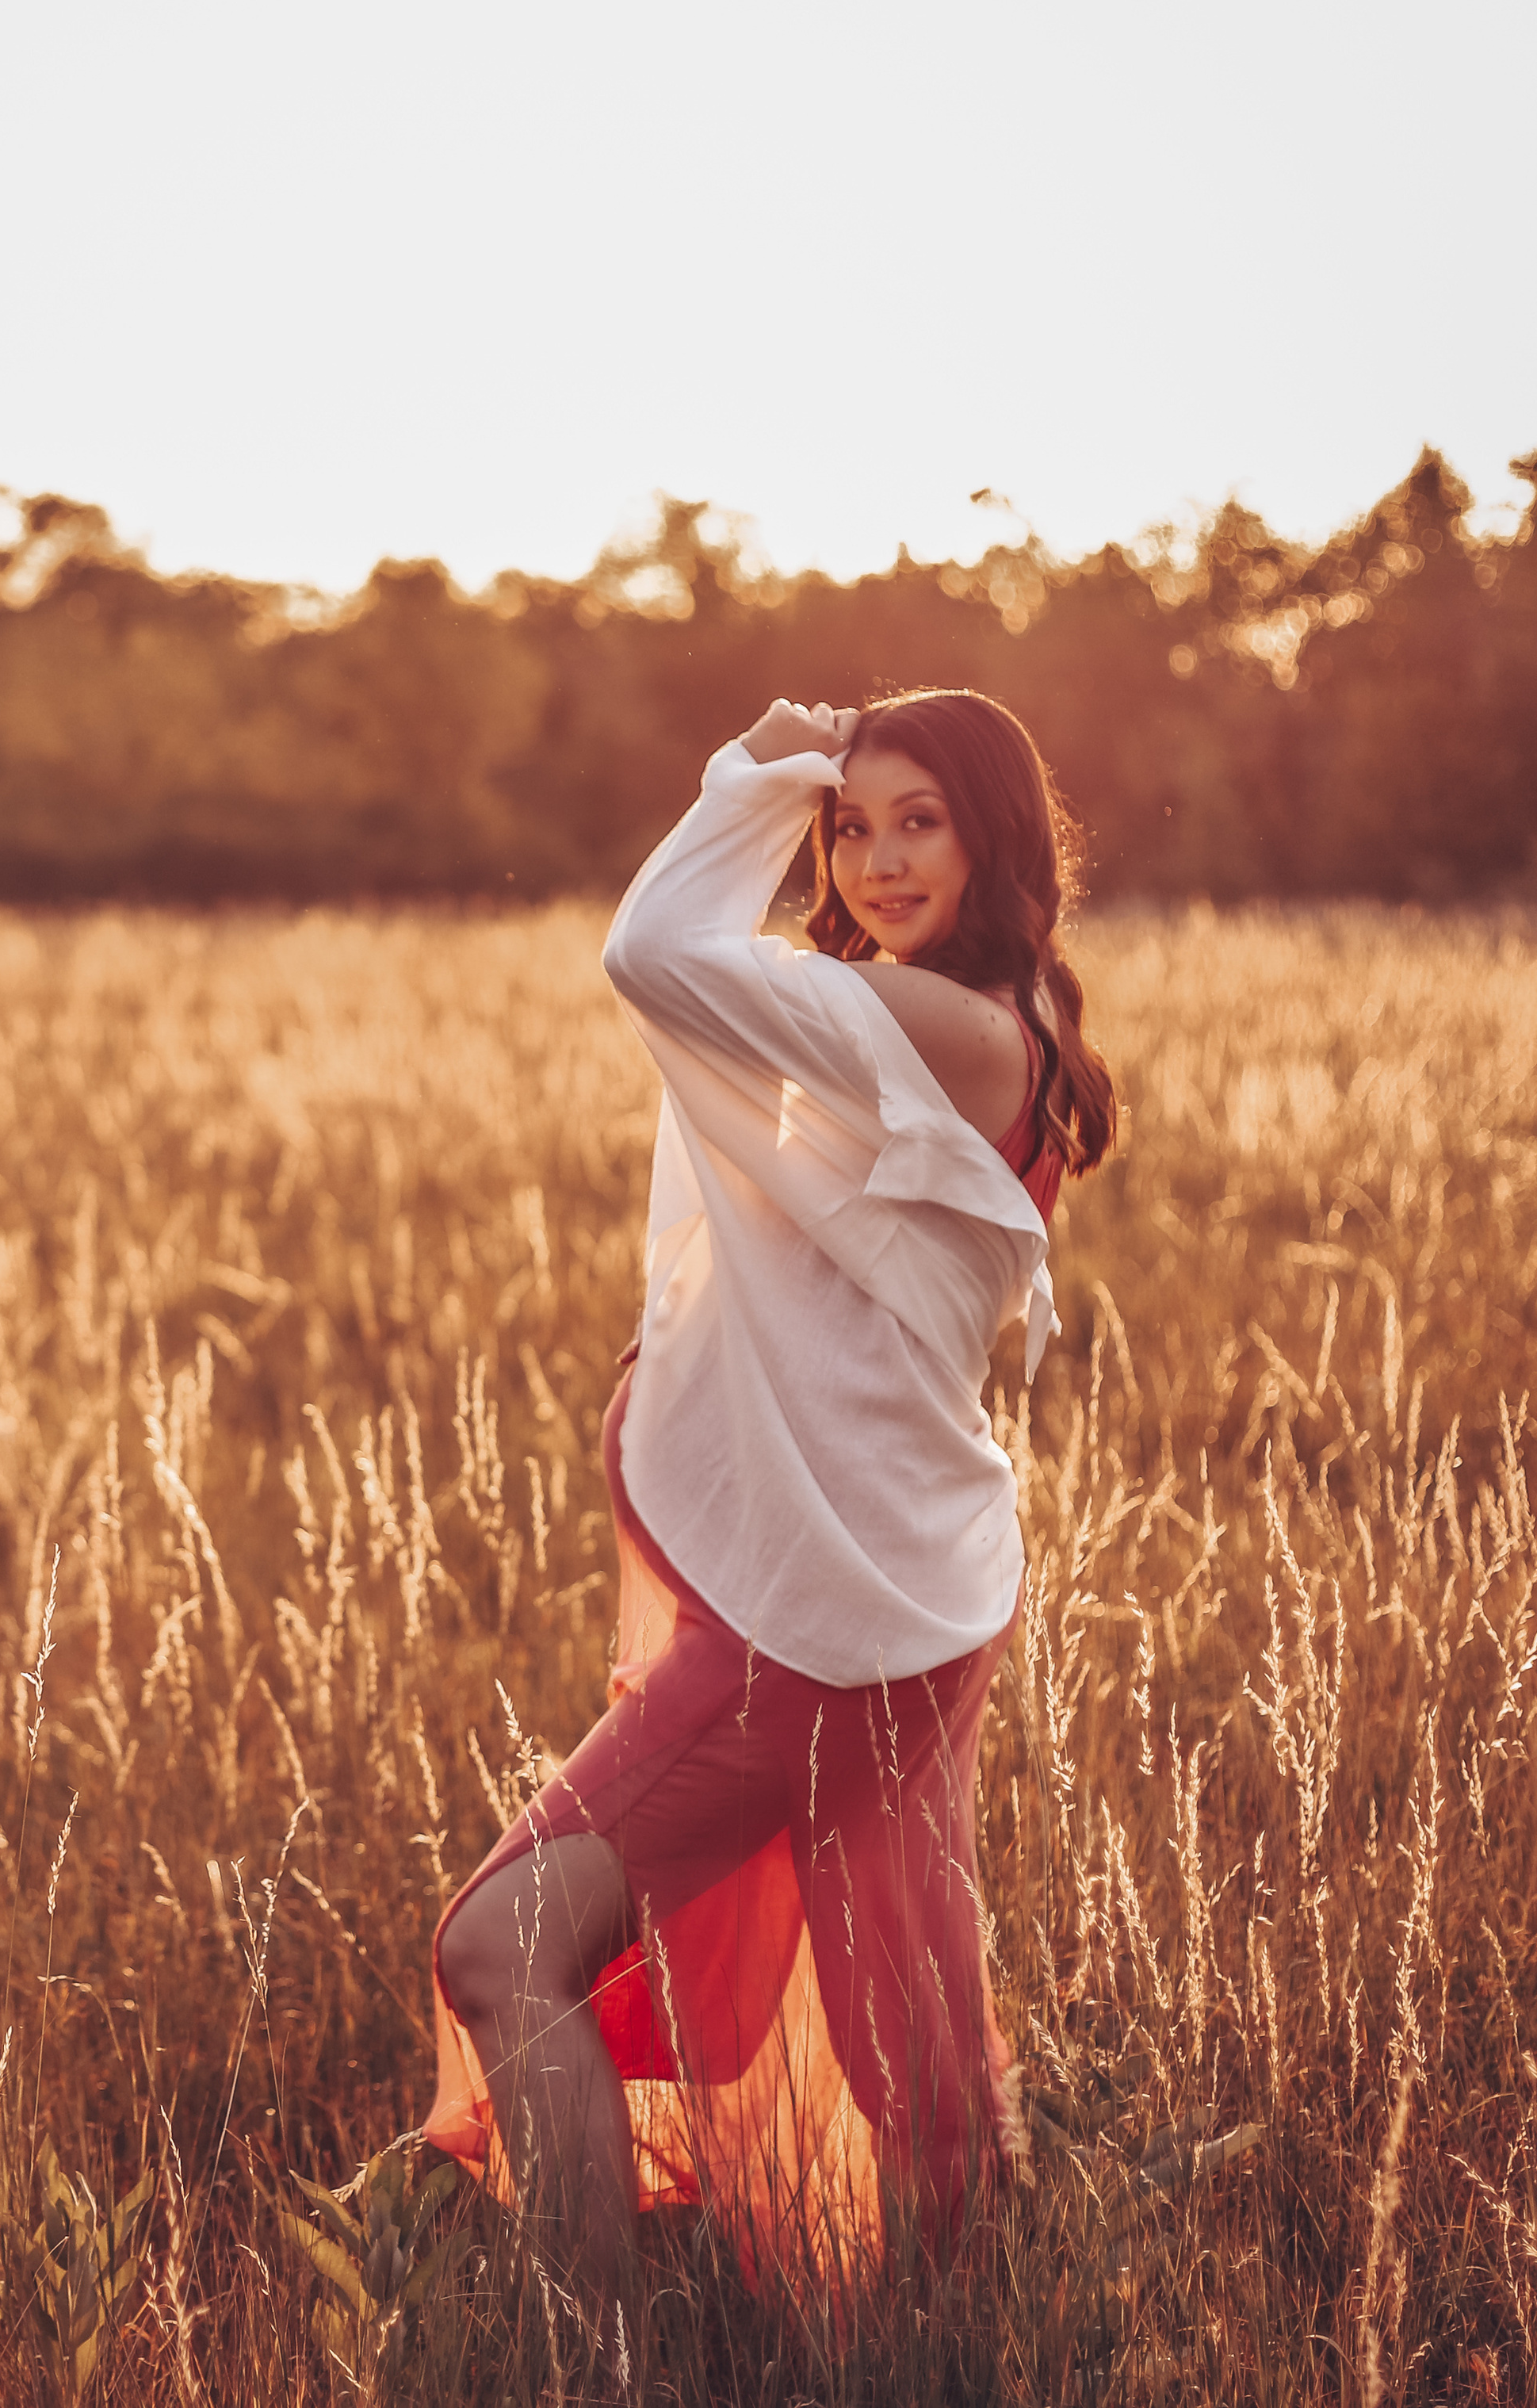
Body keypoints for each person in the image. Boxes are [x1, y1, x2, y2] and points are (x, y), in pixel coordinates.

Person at [423, 689, 1116, 2313]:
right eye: (846, 823)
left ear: (994, 834)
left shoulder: (940, 1022)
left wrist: (753, 778)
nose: (873, 858)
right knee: (901, 2001)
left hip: (809, 1613)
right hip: (895, 1576)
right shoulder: (983, 1012)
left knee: (500, 1945)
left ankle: (589, 2347)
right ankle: (950, 2333)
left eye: (915, 821)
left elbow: (653, 955)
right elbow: (823, 1254)